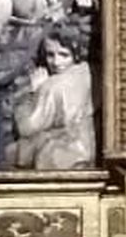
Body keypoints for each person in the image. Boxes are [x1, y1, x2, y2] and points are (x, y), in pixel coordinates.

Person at [11, 29, 95, 168]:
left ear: (77, 53)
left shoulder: (52, 86)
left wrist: (33, 92)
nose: (56, 62)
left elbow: (25, 128)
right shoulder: (89, 72)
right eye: (50, 55)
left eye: (64, 55)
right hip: (88, 150)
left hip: (60, 158)